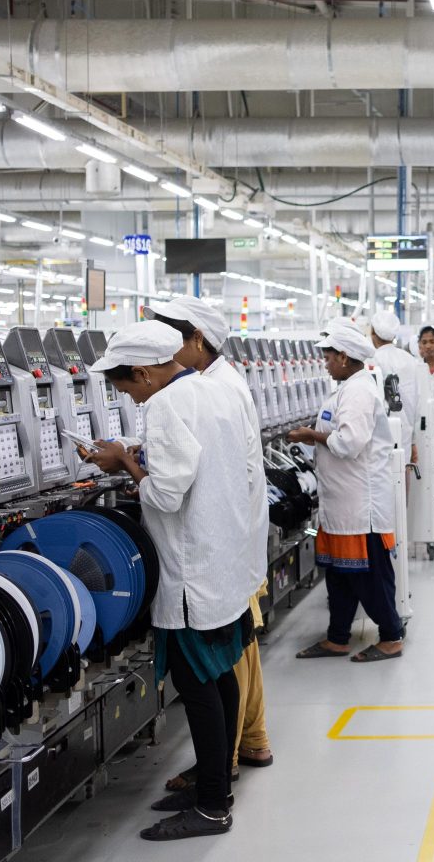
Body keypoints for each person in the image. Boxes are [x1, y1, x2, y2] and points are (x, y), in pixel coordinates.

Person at [85, 321, 259, 841]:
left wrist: (124, 463)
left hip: (190, 571)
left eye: (127, 388)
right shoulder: (213, 390)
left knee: (197, 683)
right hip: (220, 560)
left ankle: (211, 808)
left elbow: (165, 495)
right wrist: (140, 453)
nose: (131, 397)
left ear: (143, 372)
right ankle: (216, 784)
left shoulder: (164, 405)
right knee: (221, 672)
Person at [146, 298, 274, 785]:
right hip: (230, 542)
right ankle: (241, 747)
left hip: (223, 545)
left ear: (197, 340)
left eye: (172, 341)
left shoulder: (216, 387)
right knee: (235, 654)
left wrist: (140, 468)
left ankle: (231, 759)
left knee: (226, 660)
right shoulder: (213, 384)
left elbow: (186, 482)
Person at [288, 324, 404, 663]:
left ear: (343, 357)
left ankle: (391, 636)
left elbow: (349, 443)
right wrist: (314, 437)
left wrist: (313, 434)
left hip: (360, 509)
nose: (324, 363)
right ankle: (337, 638)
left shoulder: (358, 393)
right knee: (340, 577)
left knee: (370, 578)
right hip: (341, 506)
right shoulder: (345, 390)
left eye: (327, 357)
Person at [369, 310, 426, 467]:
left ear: (372, 332)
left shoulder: (371, 360)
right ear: (393, 335)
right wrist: (413, 439)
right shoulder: (409, 359)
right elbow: (417, 400)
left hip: (379, 435)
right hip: (405, 430)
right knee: (403, 471)